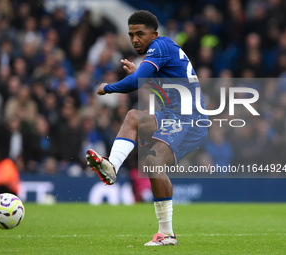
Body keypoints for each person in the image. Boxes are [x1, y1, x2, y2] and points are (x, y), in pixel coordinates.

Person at [86, 10, 208, 246]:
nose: (135, 39)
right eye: (131, 34)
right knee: (133, 117)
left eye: (140, 34)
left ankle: (167, 234)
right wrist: (144, 80)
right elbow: (168, 89)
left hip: (190, 121)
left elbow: (131, 84)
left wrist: (108, 87)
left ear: (155, 34)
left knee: (152, 163)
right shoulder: (163, 51)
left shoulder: (160, 47)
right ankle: (111, 166)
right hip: (173, 116)